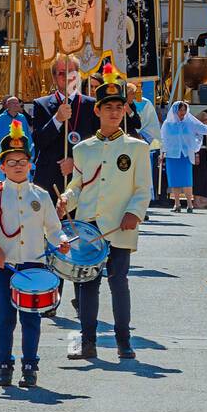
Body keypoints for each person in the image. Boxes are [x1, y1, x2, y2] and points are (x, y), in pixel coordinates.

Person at [57, 64, 151, 361]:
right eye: (107, 107)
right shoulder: (84, 148)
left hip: (120, 226)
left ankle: (124, 341)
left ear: (125, 110)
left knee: (118, 282)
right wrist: (66, 200)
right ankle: (88, 342)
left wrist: (134, 213)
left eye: (119, 107)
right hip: (88, 226)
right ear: (96, 111)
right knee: (87, 285)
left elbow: (142, 189)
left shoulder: (137, 148)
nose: (113, 112)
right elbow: (77, 184)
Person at [0, 121, 69, 388]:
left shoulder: (40, 195)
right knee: (5, 316)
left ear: (31, 164)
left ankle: (30, 366)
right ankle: (4, 364)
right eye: (11, 161)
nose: (18, 165)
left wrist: (61, 241)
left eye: (23, 160)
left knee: (31, 319)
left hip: (33, 267)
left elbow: (53, 228)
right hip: (5, 267)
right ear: (2, 166)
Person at [30, 54, 99, 202]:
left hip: (82, 181)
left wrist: (75, 163)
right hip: (49, 181)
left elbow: (98, 144)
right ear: (54, 77)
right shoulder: (41, 104)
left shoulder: (91, 105)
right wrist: (57, 120)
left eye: (71, 72)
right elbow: (39, 141)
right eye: (61, 73)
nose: (66, 76)